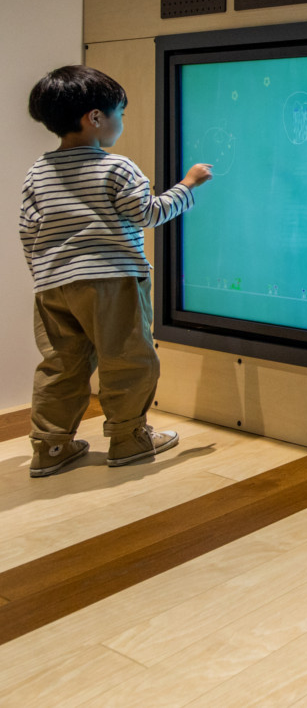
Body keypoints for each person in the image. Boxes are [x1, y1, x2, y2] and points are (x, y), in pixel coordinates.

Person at [20, 65, 213, 477]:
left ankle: (51, 446)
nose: (121, 122)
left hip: (52, 286)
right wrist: (188, 184)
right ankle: (128, 438)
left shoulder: (39, 171)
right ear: (95, 117)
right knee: (127, 359)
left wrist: (45, 274)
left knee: (61, 364)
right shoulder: (116, 167)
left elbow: (28, 230)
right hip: (112, 279)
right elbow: (148, 213)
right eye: (119, 114)